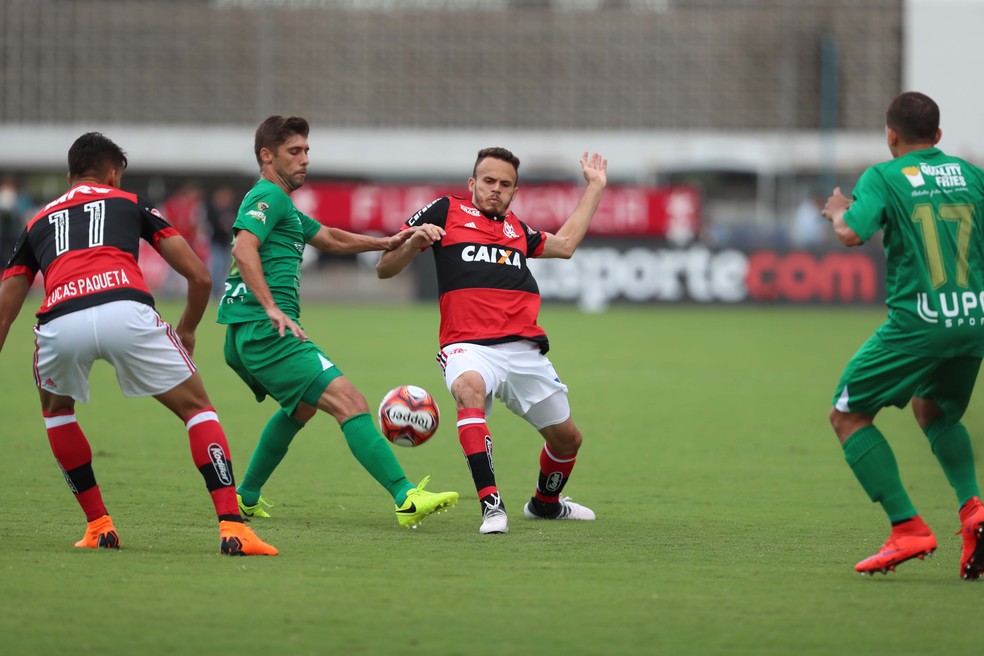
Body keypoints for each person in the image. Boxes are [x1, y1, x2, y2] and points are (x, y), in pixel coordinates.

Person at [0, 132, 277, 556]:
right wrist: (186, 329)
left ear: (71, 173)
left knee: (57, 413)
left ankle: (99, 525)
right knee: (196, 408)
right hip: (124, 309)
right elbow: (201, 276)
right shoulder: (129, 202)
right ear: (113, 172)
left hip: (60, 320)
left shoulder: (37, 221)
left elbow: (6, 309)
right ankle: (233, 528)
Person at [218, 115, 458, 528]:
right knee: (351, 403)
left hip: (245, 333)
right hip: (266, 329)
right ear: (266, 156)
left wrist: (386, 241)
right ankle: (406, 496)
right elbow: (243, 249)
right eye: (294, 151)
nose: (305, 159)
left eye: (307, 150)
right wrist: (272, 308)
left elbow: (328, 237)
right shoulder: (268, 197)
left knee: (302, 408)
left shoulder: (283, 206)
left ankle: (246, 496)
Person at [377, 147, 607, 534]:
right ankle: (491, 505)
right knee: (469, 389)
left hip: (523, 349)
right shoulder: (445, 210)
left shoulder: (519, 230)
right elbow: (384, 268)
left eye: (505, 184)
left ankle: (546, 505)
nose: (496, 189)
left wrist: (595, 187)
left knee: (567, 440)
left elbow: (565, 245)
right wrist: (413, 241)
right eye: (488, 181)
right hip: (467, 345)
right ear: (472, 183)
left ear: (514, 191)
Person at [821, 91, 984, 579]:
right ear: (937, 137)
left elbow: (852, 233)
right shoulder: (972, 175)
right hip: (974, 319)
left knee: (847, 414)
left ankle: (907, 527)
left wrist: (836, 211)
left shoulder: (885, 176)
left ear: (890, 134)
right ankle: (973, 509)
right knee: (932, 409)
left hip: (919, 322)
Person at [205, 185, 238, 298]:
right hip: (216, 243)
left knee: (226, 268)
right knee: (216, 268)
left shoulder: (231, 209)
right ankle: (214, 292)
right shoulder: (213, 210)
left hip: (228, 243)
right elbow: (211, 225)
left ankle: (222, 292)